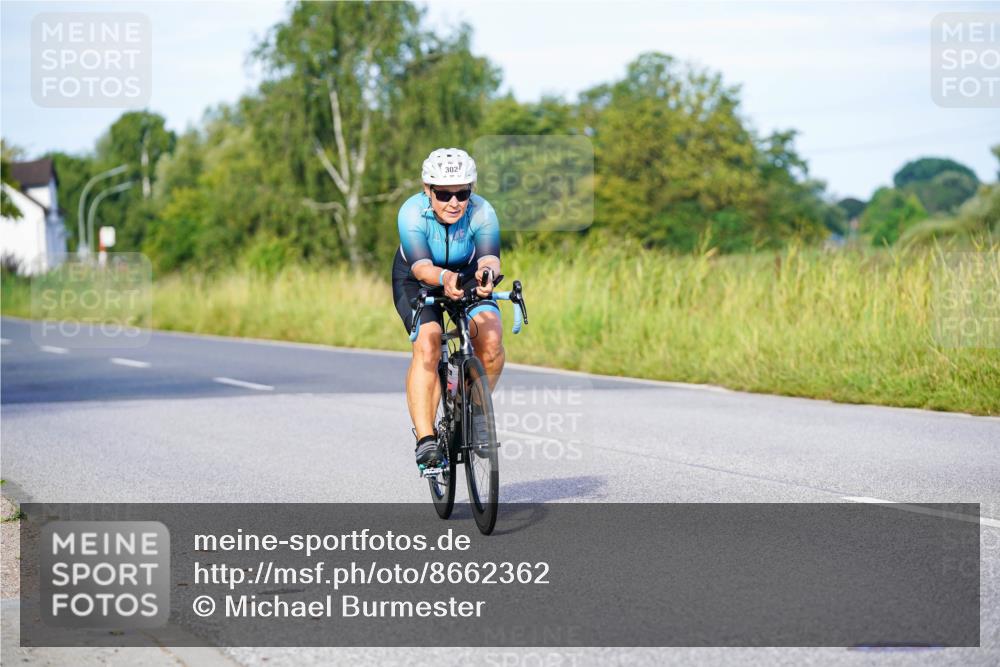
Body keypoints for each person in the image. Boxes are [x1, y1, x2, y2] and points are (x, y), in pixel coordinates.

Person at [392, 148, 505, 467]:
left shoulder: (483, 211)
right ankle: (426, 440)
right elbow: (421, 266)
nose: (454, 202)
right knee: (428, 345)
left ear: (472, 190)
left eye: (462, 193)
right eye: (443, 194)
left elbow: (489, 257)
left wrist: (487, 275)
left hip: (466, 275)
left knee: (492, 340)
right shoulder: (411, 213)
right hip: (419, 278)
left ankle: (476, 411)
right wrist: (444, 278)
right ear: (427, 190)